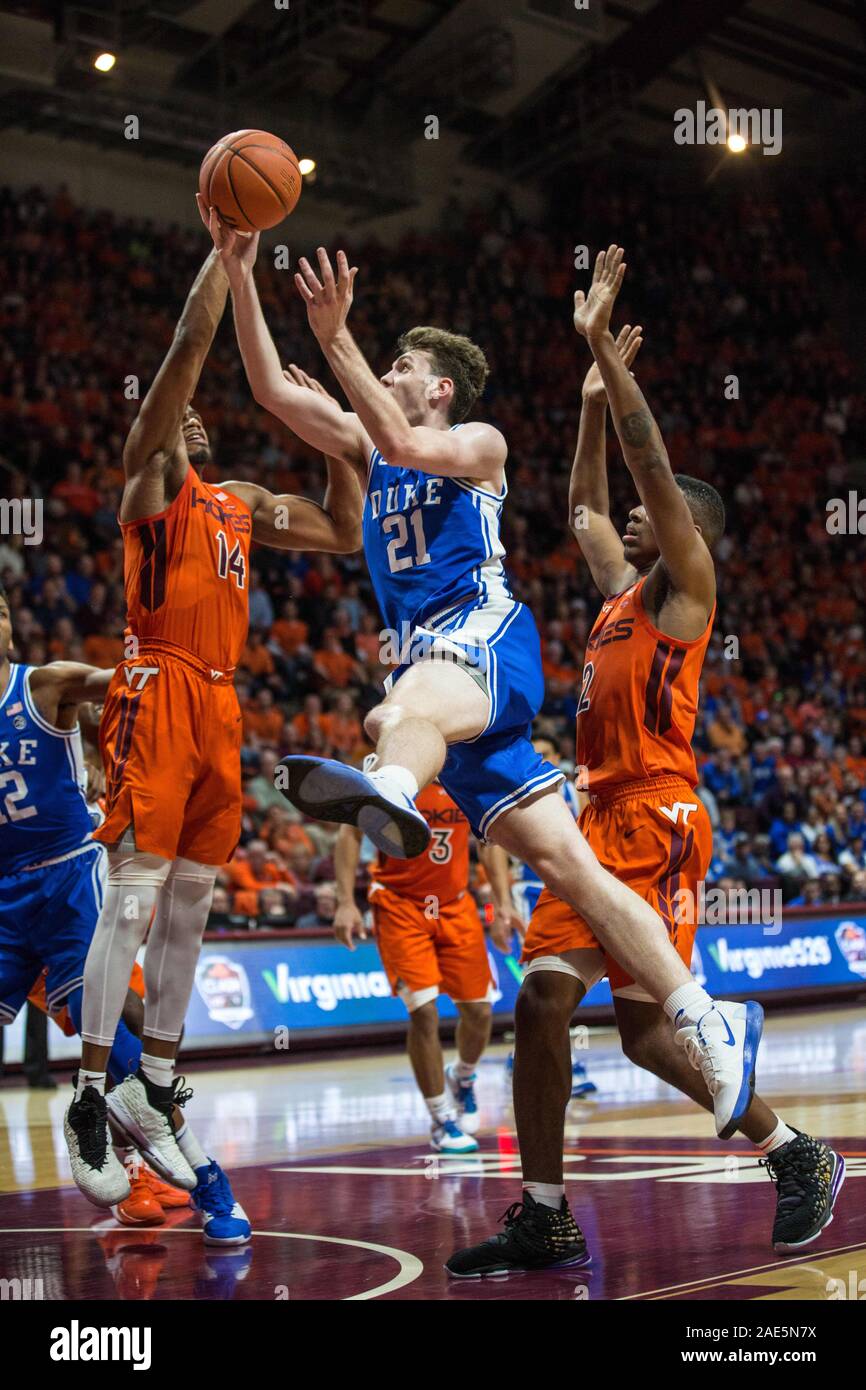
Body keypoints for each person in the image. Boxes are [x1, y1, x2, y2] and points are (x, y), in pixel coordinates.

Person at [204, 214, 764, 1165]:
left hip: (481, 640)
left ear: (439, 386)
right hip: (441, 672)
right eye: (376, 360)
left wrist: (337, 336)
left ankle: (389, 786)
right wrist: (237, 269)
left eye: (396, 364)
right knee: (572, 870)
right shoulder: (371, 443)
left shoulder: (479, 442)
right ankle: (704, 1022)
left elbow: (405, 443)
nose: (383, 373)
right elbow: (265, 388)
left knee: (394, 714)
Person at [447, 249, 843, 1276]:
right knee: (562, 1009)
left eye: (651, 514)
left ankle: (791, 1151)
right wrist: (585, 397)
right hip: (595, 819)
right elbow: (584, 506)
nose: (627, 515)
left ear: (689, 533)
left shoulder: (685, 590)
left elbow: (648, 468)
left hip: (657, 817)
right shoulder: (623, 592)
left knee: (621, 1026)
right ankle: (544, 1210)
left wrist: (606, 359)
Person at [62, 241, 363, 1243]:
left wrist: (326, 430)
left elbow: (341, 531)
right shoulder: (149, 486)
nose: (186, 412)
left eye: (194, 410)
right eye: (168, 407)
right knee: (136, 891)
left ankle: (153, 1081)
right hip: (157, 680)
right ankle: (87, 1084)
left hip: (224, 704)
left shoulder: (235, 501)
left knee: (192, 897)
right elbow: (191, 346)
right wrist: (224, 255)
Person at [334, 774, 507, 1152]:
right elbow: (349, 836)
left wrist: (503, 904)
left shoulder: (466, 770)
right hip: (400, 904)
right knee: (424, 1012)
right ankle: (442, 1117)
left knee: (479, 1012)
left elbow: (489, 841)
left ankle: (462, 1076)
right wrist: (346, 901)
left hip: (456, 903)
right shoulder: (384, 771)